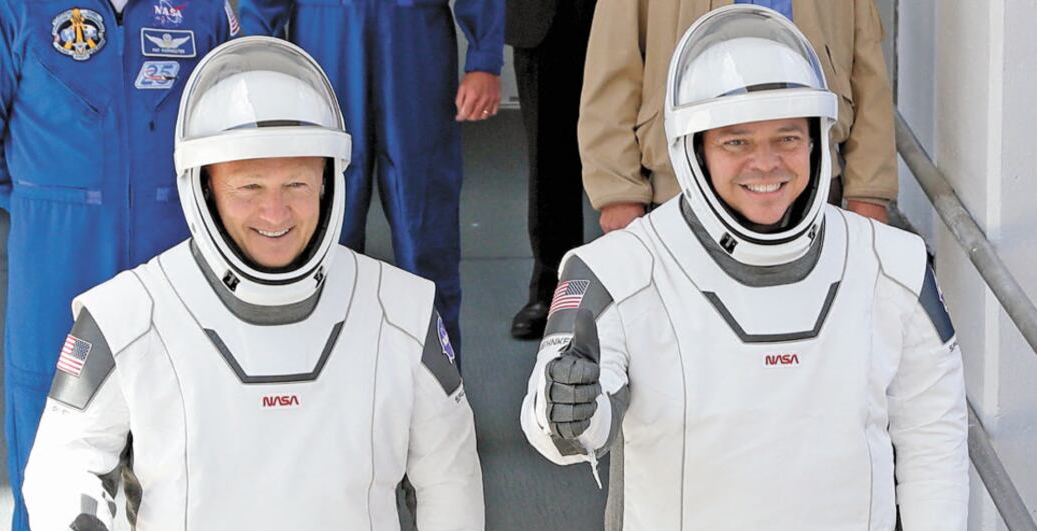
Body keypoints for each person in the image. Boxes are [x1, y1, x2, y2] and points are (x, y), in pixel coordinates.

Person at [521, 7, 967, 531]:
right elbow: (564, 424)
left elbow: (933, 434)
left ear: (818, 136)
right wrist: (568, 410)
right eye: (736, 141)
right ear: (695, 145)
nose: (767, 163)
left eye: (788, 137)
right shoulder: (615, 270)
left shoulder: (892, 269)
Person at [22, 37, 488, 531]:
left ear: (329, 179)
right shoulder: (126, 315)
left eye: (298, 181)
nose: (276, 210)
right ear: (204, 187)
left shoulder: (399, 310)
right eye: (248, 186)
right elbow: (67, 456)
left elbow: (450, 479)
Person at [0, 0, 236, 531]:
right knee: (42, 480)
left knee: (191, 477)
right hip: (58, 272)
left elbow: (227, 120)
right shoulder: (11, 10)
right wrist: (47, 198)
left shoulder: (203, 10)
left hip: (175, 269)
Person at [236, 0, 505, 363]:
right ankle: (326, 383)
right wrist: (260, 59)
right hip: (326, 34)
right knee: (324, 230)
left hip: (413, 37)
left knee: (425, 227)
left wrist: (484, 59)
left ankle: (439, 385)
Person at [578, 0, 898, 235]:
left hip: (812, 180)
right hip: (681, 183)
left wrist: (869, 191)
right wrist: (618, 192)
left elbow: (866, 68)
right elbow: (613, 65)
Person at [505, 0, 597, 340]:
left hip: (630, 13)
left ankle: (642, 284)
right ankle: (554, 288)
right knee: (549, 160)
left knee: (637, 151)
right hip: (543, 15)